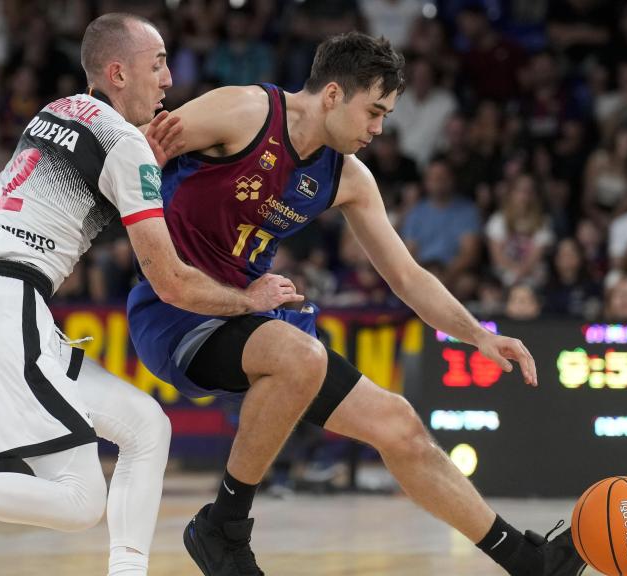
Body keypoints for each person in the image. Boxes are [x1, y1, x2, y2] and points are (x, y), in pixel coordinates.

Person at [0, 13, 302, 576]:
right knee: (81, 499)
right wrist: (249, 300)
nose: (167, 82)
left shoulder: (53, 112)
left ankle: (128, 569)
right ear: (118, 72)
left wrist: (137, 171)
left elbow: (23, 198)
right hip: (2, 312)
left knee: (146, 426)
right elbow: (171, 281)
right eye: (156, 66)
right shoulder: (123, 144)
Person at [126, 31, 584, 576]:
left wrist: (479, 334)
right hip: (174, 311)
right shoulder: (243, 110)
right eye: (374, 111)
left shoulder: (348, 177)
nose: (379, 129)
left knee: (400, 425)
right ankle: (223, 525)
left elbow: (408, 277)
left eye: (386, 115)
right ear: (333, 94)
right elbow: (127, 152)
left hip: (250, 314)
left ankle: (527, 561)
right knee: (300, 354)